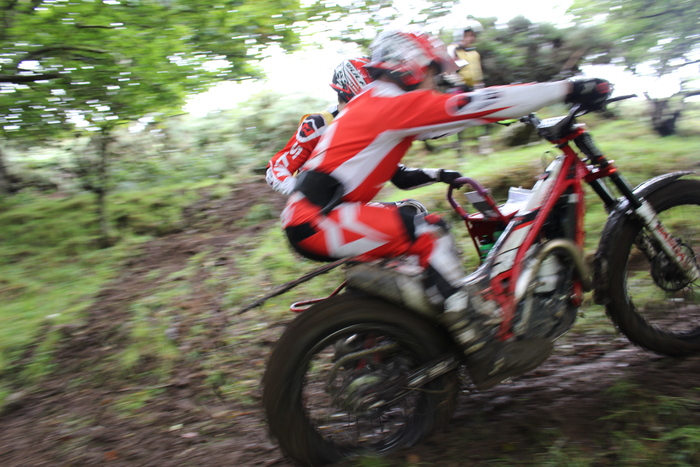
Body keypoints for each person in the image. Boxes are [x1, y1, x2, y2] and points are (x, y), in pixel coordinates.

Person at [281, 29, 612, 386]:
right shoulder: (392, 103)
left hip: (315, 216)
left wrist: (489, 113)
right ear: (408, 66)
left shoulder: (372, 102)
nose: (433, 80)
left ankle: (408, 331)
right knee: (428, 231)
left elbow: (455, 114)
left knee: (412, 216)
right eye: (430, 71)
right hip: (318, 221)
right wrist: (568, 88)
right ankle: (484, 346)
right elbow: (479, 104)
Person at [266, 58, 373, 196]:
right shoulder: (319, 124)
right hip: (316, 210)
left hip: (352, 204)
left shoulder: (370, 127)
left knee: (407, 210)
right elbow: (275, 168)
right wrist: (301, 192)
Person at [446, 19, 484, 92]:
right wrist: (459, 84)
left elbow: (476, 74)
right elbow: (448, 72)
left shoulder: (474, 53)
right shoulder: (453, 49)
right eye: (467, 36)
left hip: (475, 89)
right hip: (459, 89)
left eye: (472, 36)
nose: (471, 38)